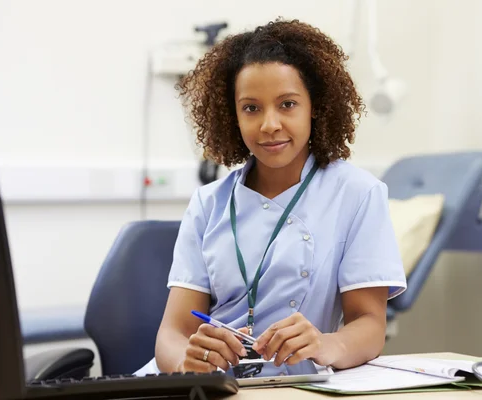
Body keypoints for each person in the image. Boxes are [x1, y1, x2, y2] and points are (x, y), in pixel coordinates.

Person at [135, 18, 406, 376]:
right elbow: (173, 332)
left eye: (288, 104)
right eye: (251, 108)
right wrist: (187, 363)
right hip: (204, 387)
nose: (269, 124)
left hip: (295, 383)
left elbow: (369, 324)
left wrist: (326, 344)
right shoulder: (208, 203)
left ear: (316, 107)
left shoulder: (358, 194)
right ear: (232, 116)